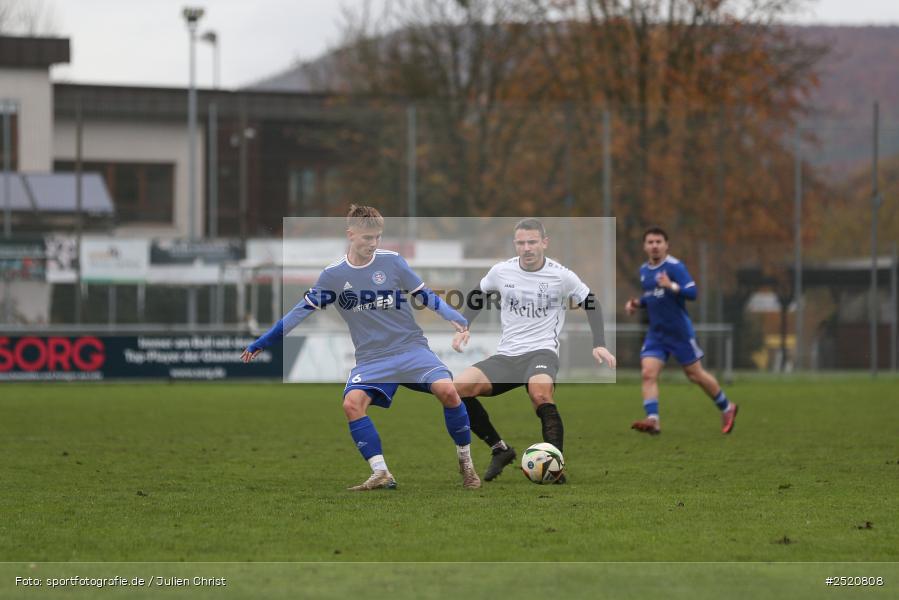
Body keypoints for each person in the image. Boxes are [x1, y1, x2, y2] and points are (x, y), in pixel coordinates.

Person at [242, 205, 481, 490]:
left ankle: (466, 463)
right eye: (367, 238)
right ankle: (381, 473)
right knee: (352, 404)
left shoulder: (393, 262)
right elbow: (298, 313)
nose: (373, 243)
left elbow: (426, 296)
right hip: (372, 358)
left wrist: (455, 318)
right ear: (351, 234)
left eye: (377, 237)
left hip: (410, 348)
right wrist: (263, 342)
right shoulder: (333, 275)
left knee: (448, 390)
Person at [451, 218, 616, 482]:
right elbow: (478, 295)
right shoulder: (501, 271)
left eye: (532, 242)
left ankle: (555, 466)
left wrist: (599, 343)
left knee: (541, 395)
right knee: (457, 388)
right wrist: (464, 325)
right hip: (507, 355)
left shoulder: (561, 275)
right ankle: (500, 449)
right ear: (515, 244)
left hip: (542, 352)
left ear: (544, 243)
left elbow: (591, 302)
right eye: (521, 242)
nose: (526, 248)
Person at [624, 227, 738, 435]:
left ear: (667, 245)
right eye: (650, 242)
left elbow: (692, 293)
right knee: (648, 373)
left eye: (659, 241)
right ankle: (653, 420)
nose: (655, 245)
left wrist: (671, 285)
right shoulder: (644, 271)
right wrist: (638, 304)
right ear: (644, 246)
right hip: (656, 333)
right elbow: (653, 296)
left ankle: (727, 407)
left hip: (679, 333)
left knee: (695, 375)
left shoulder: (675, 267)